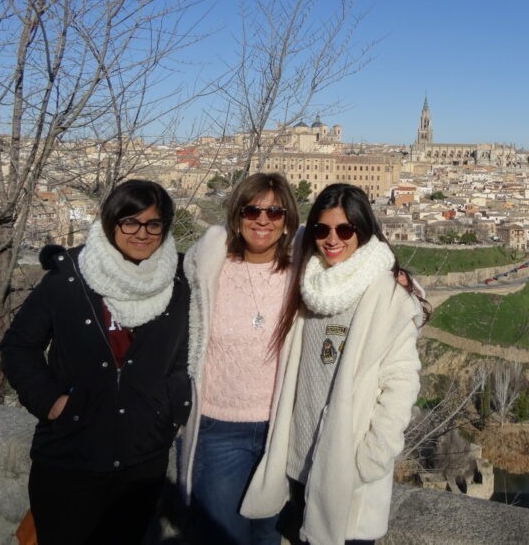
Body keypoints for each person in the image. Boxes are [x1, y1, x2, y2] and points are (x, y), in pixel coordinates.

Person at [0, 179, 191, 545]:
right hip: (70, 456)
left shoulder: (178, 282)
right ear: (110, 222)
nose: (142, 233)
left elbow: (184, 354)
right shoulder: (70, 276)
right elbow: (18, 346)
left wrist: (169, 406)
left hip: (142, 460)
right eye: (129, 221)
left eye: (154, 224)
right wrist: (53, 402)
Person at [240, 183, 427, 545]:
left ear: (363, 230)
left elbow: (402, 382)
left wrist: (370, 459)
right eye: (321, 230)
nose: (332, 239)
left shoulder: (385, 293)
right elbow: (265, 235)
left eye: (344, 230)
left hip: (347, 470)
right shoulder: (310, 284)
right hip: (298, 465)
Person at [179, 172, 300, 544]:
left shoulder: (303, 273)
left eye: (275, 212)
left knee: (266, 538)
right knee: (222, 537)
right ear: (237, 215)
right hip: (219, 429)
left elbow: (363, 277)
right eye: (252, 210)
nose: (262, 220)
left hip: (280, 432)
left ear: (287, 222)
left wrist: (408, 282)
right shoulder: (209, 267)